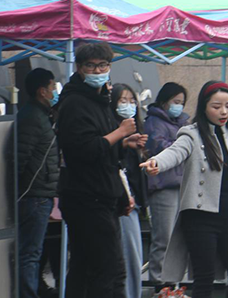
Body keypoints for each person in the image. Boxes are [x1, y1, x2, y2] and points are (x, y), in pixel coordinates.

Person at [141, 81, 228, 298]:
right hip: (201, 217)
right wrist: (156, 163)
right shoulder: (191, 134)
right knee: (204, 277)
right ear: (204, 107)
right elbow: (175, 152)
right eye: (216, 106)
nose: (224, 111)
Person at [57, 43, 146, 298]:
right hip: (86, 198)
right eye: (91, 66)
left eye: (102, 65)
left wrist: (124, 142)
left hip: (103, 195)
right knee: (108, 270)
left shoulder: (100, 99)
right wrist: (120, 132)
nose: (97, 71)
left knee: (86, 267)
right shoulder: (75, 102)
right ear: (79, 68)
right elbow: (83, 150)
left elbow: (105, 150)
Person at [17, 68, 60, 298]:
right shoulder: (32, 118)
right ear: (42, 91)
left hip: (41, 193)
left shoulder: (43, 116)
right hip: (33, 195)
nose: (55, 92)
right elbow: (19, 157)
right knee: (30, 253)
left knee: (34, 251)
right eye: (53, 87)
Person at [143, 82, 189, 290]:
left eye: (181, 102)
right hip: (163, 185)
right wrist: (183, 147)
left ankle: (172, 281)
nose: (178, 106)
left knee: (176, 238)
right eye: (175, 101)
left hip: (180, 185)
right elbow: (160, 147)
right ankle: (159, 281)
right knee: (164, 236)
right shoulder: (154, 122)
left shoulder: (183, 123)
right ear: (164, 101)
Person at [110, 84, 149, 298]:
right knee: (127, 257)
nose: (129, 106)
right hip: (122, 203)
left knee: (133, 257)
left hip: (134, 204)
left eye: (132, 101)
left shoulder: (137, 131)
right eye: (123, 101)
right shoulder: (113, 132)